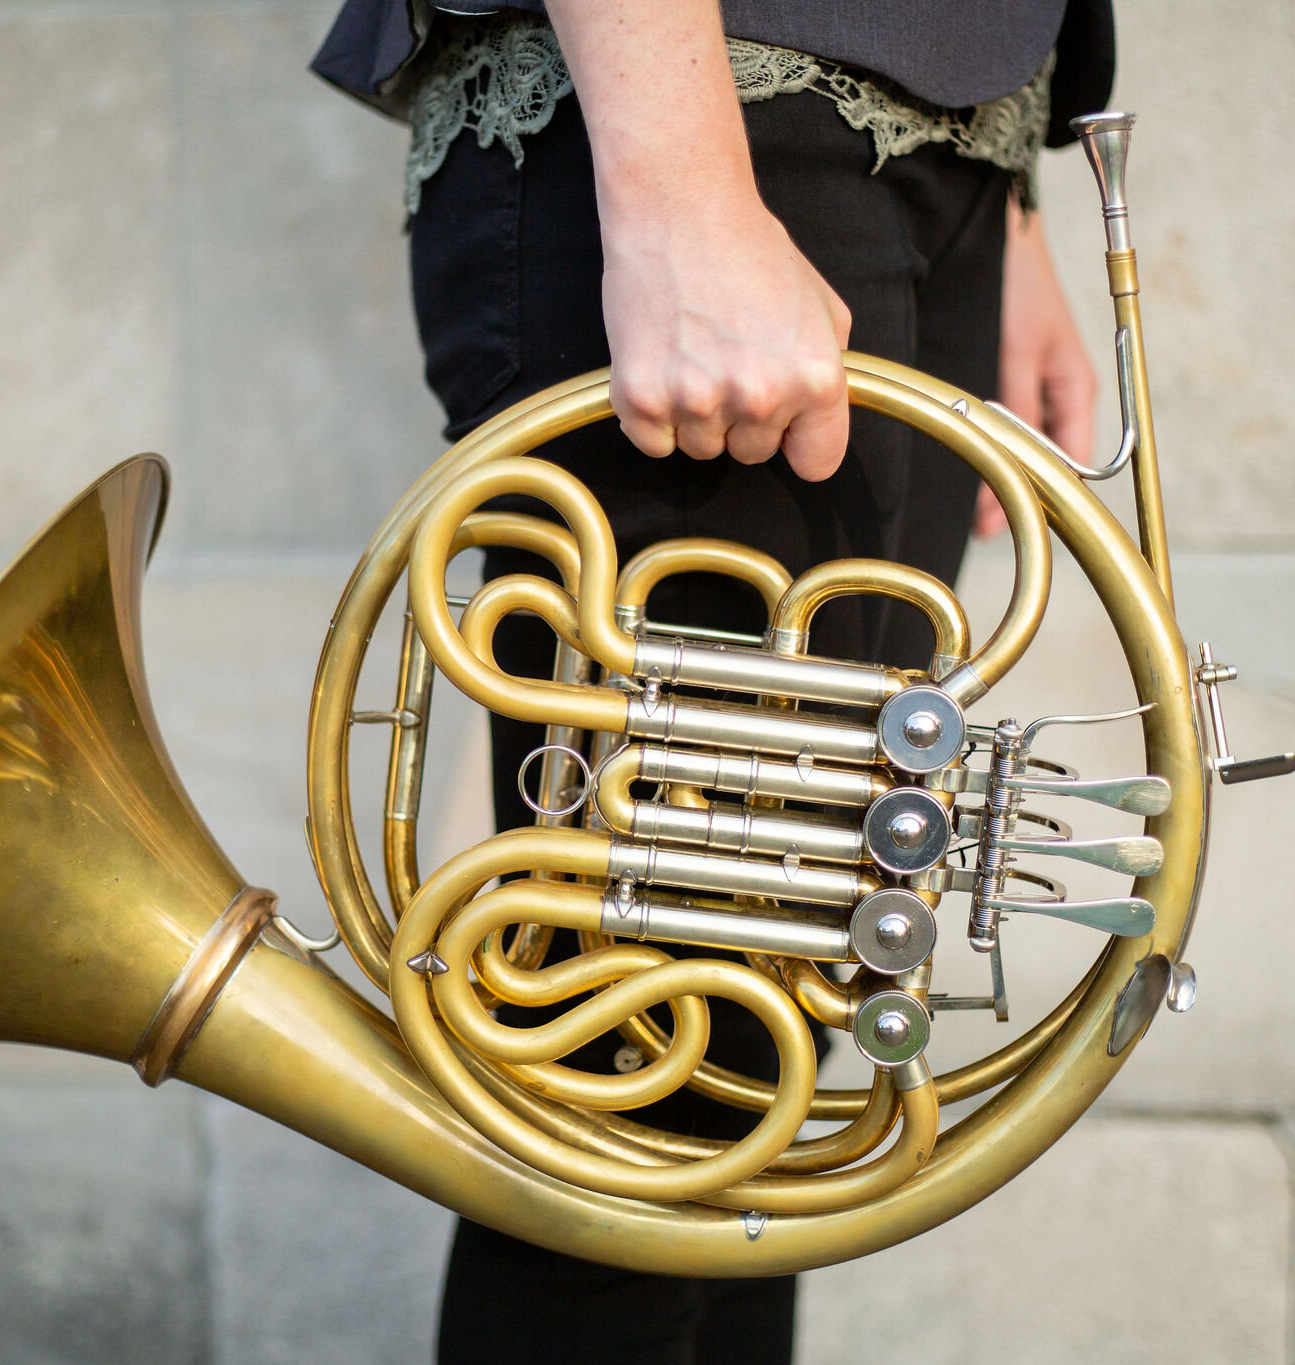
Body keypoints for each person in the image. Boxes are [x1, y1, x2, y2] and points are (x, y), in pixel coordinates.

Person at [311, 3, 1115, 1360]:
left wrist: (1005, 189)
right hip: (713, 99)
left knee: (756, 1071)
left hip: (948, 150)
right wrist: (674, 174)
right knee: (645, 1085)